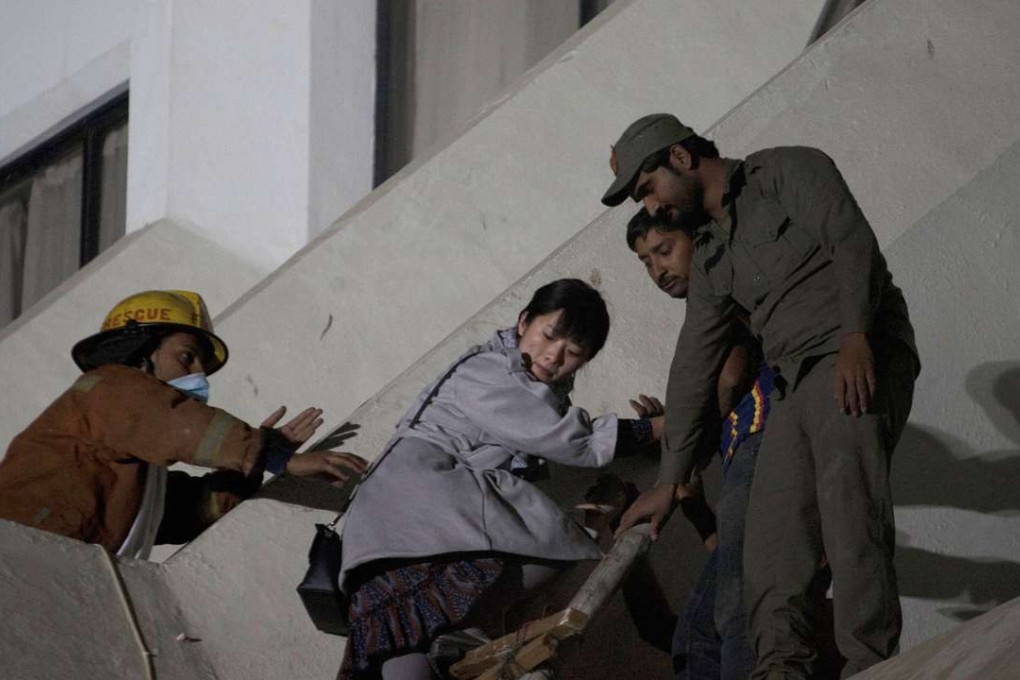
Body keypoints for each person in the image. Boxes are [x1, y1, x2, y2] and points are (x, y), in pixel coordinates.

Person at [605, 115, 919, 678]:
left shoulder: (786, 170)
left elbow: (852, 241)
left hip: (853, 355)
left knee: (850, 521)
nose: (650, 207)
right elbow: (694, 359)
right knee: (768, 555)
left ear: (679, 157)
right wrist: (668, 481)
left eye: (646, 189)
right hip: (792, 384)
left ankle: (871, 667)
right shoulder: (708, 252)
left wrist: (855, 336)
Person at [337, 278, 661, 680]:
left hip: (407, 524)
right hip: (416, 516)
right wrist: (669, 425)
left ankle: (464, 634)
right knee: (554, 542)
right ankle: (470, 632)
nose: (553, 355)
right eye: (548, 335)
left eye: (573, 352)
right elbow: (575, 442)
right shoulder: (492, 370)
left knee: (410, 651)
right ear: (523, 321)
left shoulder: (523, 384)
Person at [0, 290, 366, 558]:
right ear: (140, 354)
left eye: (203, 368)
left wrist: (259, 460)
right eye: (186, 357)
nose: (198, 376)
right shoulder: (107, 386)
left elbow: (195, 511)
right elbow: (172, 421)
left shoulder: (137, 473)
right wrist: (271, 454)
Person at [627, 206, 772, 679]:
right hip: (748, 471)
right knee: (700, 632)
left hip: (765, 458)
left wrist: (681, 435)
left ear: (697, 241)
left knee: (721, 625)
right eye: (646, 263)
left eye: (664, 251)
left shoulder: (722, 299)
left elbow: (728, 380)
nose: (657, 271)